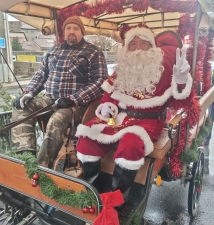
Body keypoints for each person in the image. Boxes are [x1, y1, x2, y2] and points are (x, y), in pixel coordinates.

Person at [75, 25, 193, 199]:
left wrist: (182, 81)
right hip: (118, 118)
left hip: (147, 122)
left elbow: (181, 103)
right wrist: (107, 106)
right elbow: (109, 95)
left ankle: (117, 196)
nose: (138, 47)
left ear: (152, 47)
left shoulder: (166, 69)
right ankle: (94, 189)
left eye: (144, 43)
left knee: (131, 144)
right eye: (133, 43)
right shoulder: (122, 69)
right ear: (127, 48)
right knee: (87, 137)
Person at [11, 16, 109, 168]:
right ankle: (26, 158)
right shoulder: (53, 51)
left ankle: (43, 167)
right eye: (68, 28)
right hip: (51, 99)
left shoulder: (93, 52)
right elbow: (41, 75)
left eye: (76, 29)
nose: (72, 31)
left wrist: (73, 98)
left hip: (77, 105)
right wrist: (29, 92)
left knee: (57, 119)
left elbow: (100, 82)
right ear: (64, 32)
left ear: (82, 32)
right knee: (21, 107)